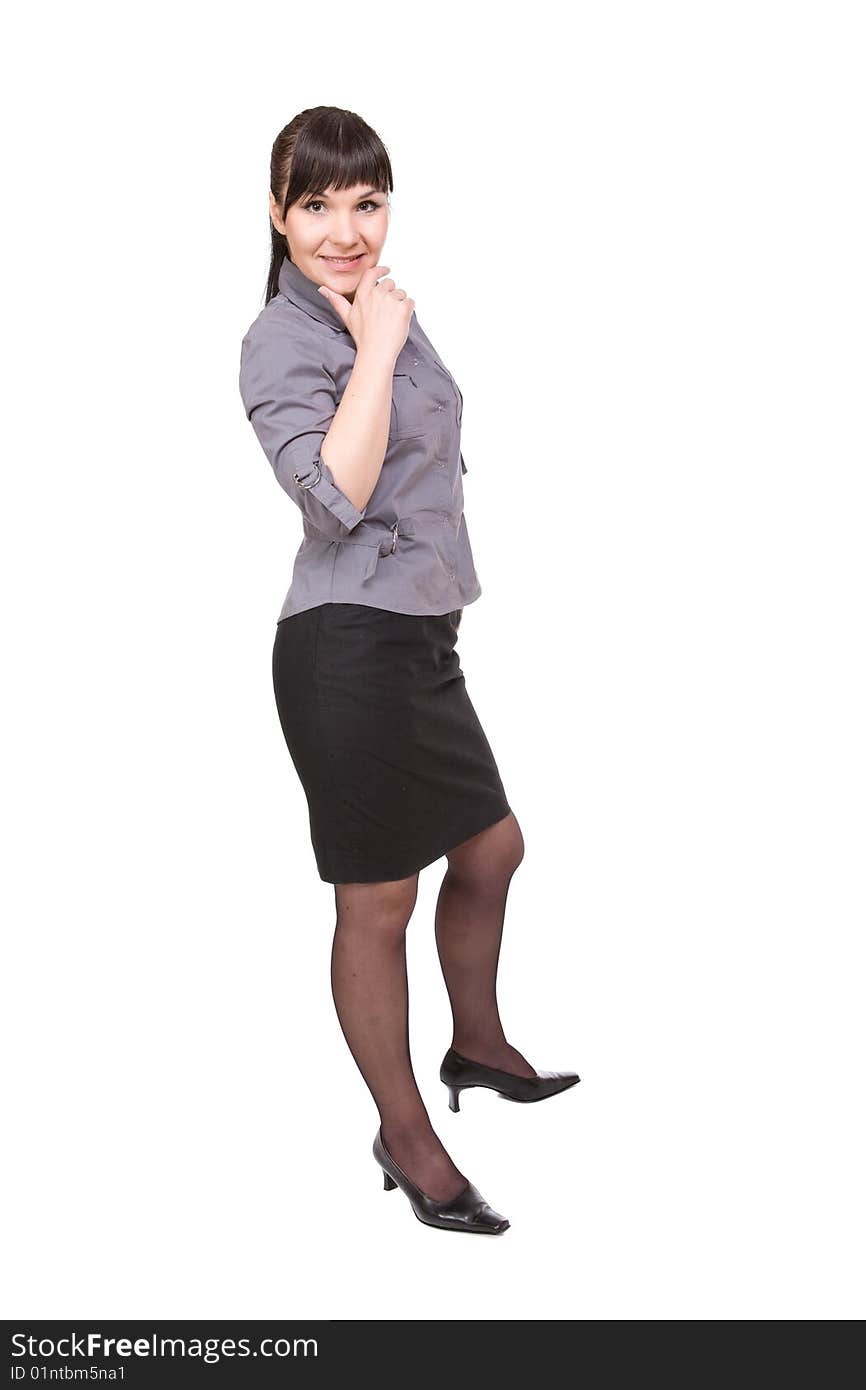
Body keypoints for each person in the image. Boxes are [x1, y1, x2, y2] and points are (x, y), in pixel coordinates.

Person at [239, 106, 579, 1235]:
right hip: (345, 646)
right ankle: (405, 1131)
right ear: (276, 214)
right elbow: (332, 496)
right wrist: (378, 348)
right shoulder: (287, 338)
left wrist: (383, 336)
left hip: (416, 638)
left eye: (368, 202)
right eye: (319, 205)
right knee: (376, 898)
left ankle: (474, 1046)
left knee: (491, 844)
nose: (347, 229)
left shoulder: (368, 301)